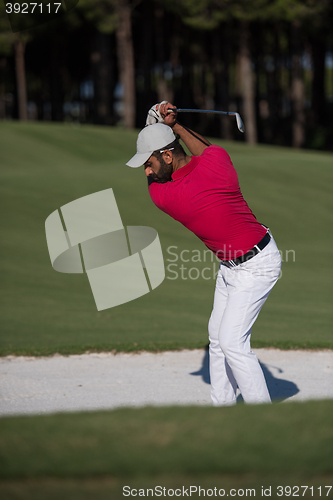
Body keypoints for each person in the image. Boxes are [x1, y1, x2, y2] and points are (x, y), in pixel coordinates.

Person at [126, 101, 281, 405]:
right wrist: (173, 126)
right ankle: (221, 407)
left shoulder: (168, 196)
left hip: (257, 266)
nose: (146, 169)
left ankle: (263, 416)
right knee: (217, 338)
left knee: (232, 343)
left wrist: (153, 127)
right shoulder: (219, 162)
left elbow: (156, 178)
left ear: (168, 155)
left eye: (149, 162)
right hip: (233, 265)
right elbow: (205, 150)